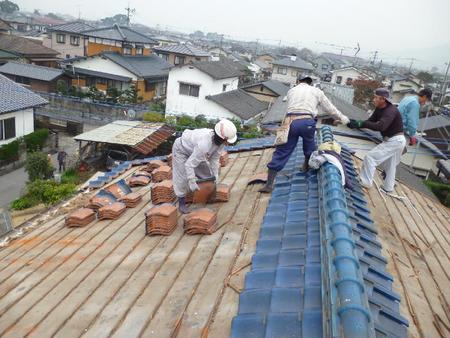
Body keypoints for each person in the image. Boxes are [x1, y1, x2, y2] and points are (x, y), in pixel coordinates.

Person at [259, 75, 350, 193]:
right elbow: (330, 108)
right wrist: (343, 119)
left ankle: (269, 185)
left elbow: (288, 109)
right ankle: (305, 167)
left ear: (298, 82)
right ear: (310, 83)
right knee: (309, 146)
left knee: (282, 151)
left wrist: (283, 128)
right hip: (307, 122)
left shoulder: (292, 91)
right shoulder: (316, 91)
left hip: (290, 122)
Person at [172, 119, 237, 214]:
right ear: (220, 137)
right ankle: (181, 202)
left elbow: (214, 160)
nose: (227, 143)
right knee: (182, 177)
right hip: (181, 149)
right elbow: (189, 165)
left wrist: (215, 177)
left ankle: (207, 194)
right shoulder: (204, 144)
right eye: (226, 141)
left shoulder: (220, 143)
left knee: (206, 174)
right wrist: (192, 180)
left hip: (195, 150)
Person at [347, 88, 406, 193]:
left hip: (395, 140)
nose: (373, 99)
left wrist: (362, 124)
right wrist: (356, 124)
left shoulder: (390, 111)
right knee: (390, 166)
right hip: (396, 141)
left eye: (375, 97)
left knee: (371, 157)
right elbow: (370, 122)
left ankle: (366, 181)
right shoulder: (379, 109)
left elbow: (381, 126)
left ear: (383, 99)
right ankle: (388, 188)